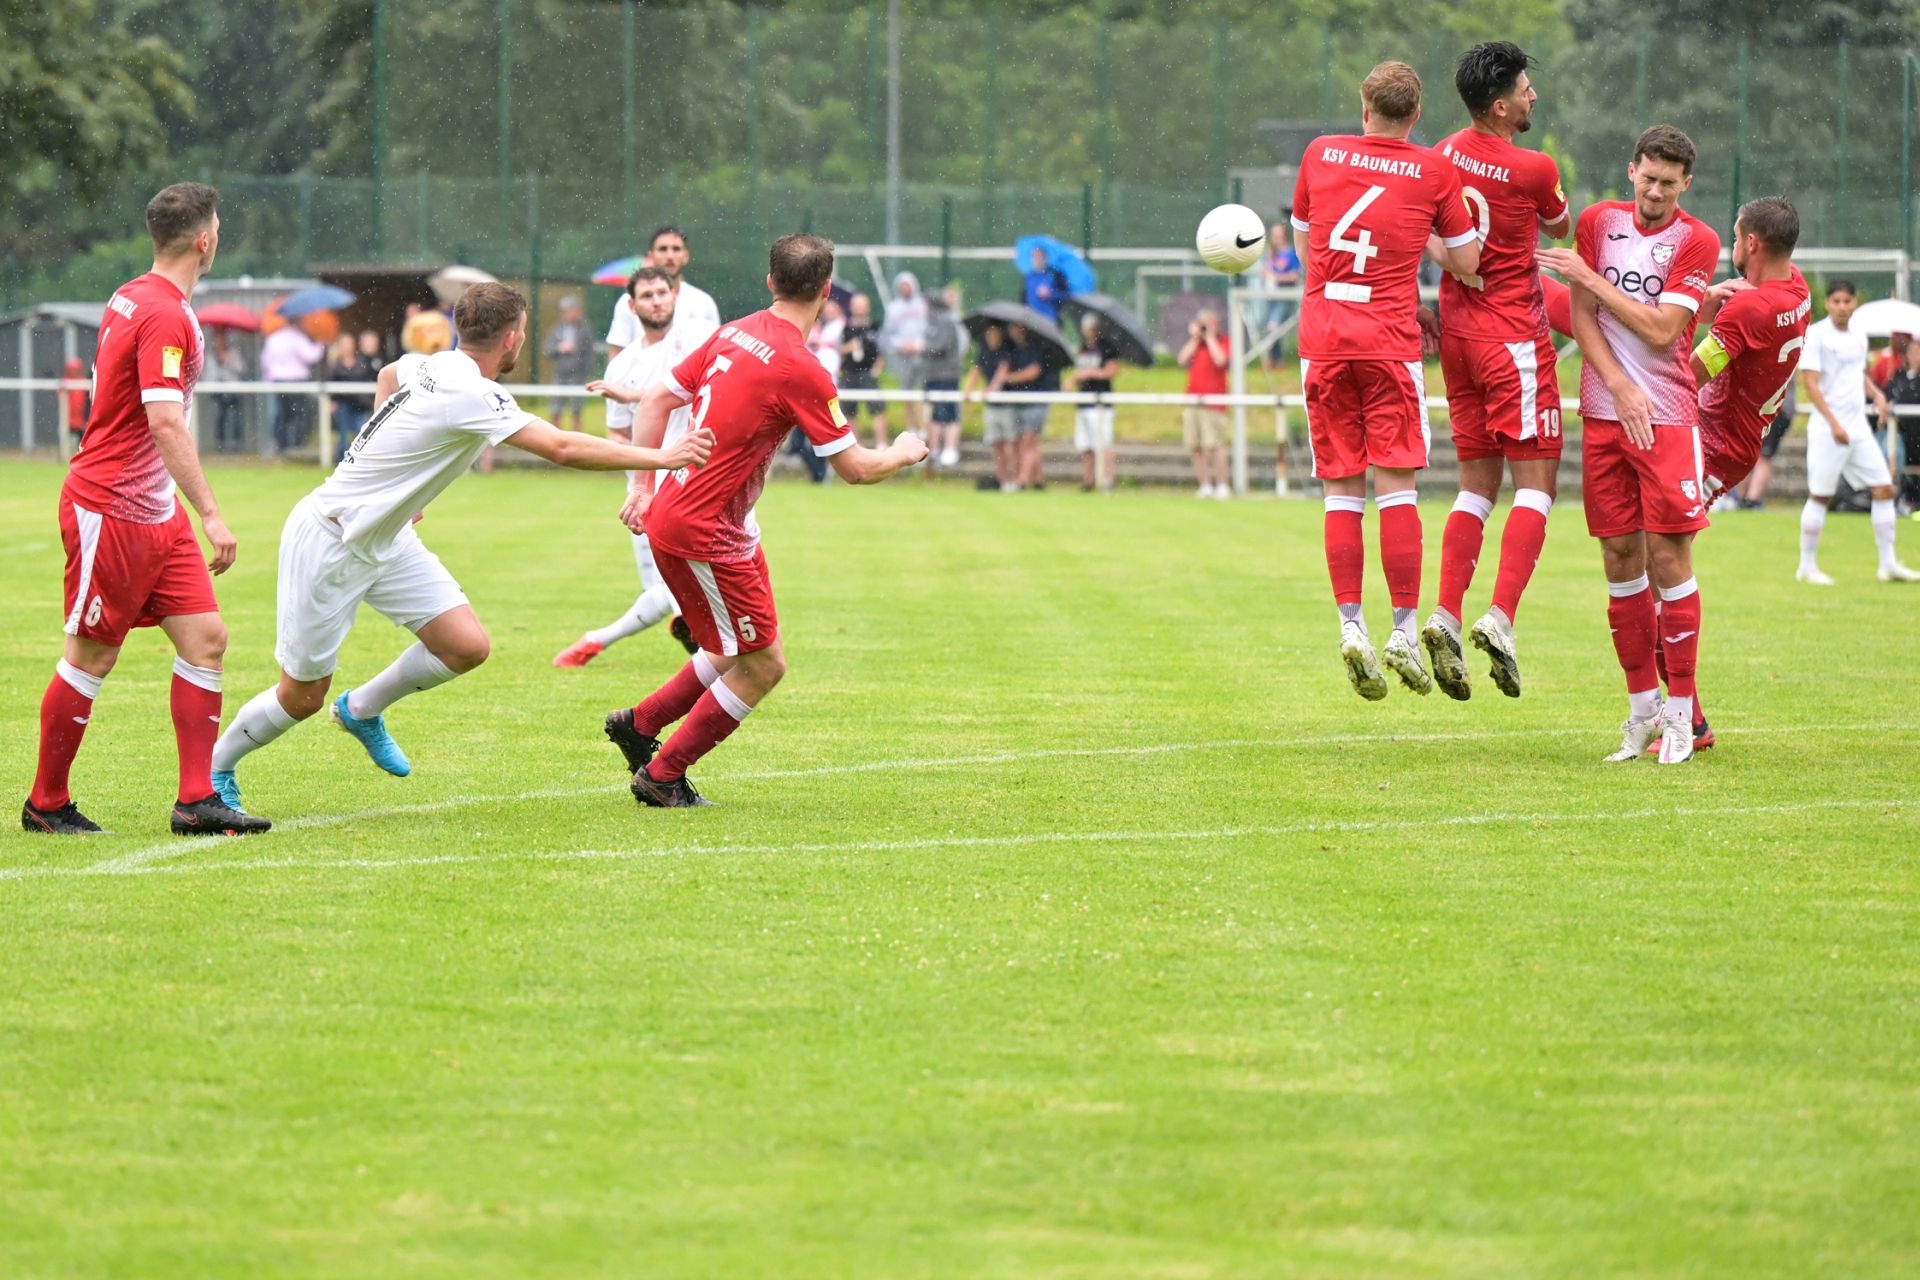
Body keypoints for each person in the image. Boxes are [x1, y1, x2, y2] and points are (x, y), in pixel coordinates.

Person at [206, 284, 713, 814]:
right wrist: (664, 456)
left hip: (387, 536)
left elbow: (388, 376)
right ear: (512, 338)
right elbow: (562, 446)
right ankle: (214, 770)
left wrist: (389, 480)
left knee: (465, 645)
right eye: (522, 332)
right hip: (331, 543)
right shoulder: (472, 392)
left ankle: (361, 709)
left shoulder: (434, 364)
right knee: (301, 696)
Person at [602, 234, 930, 807]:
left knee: (737, 648)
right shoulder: (802, 368)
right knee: (763, 667)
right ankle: (663, 776)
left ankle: (640, 724)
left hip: (697, 518)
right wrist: (904, 451)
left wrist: (643, 488)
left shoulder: (733, 331)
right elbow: (856, 469)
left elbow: (653, 402)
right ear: (826, 291)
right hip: (706, 532)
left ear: (771, 282)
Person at [23, 182, 266, 836]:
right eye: (219, 228)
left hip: (155, 511)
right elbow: (163, 420)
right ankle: (45, 804)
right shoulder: (162, 313)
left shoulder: (132, 293)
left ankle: (196, 801)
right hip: (112, 507)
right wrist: (211, 512)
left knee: (206, 639)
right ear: (204, 241)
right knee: (90, 657)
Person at [1292, 61, 1481, 700]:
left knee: (1341, 490)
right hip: (1387, 342)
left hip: (1323, 339)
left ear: (1364, 107)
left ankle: (1352, 624)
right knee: (1396, 488)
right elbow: (1468, 260)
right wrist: (1421, 239)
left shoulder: (1321, 153)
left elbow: (1307, 250)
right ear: (1417, 116)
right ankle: (1403, 629)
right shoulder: (1434, 169)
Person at [1538, 124, 1722, 764]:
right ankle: (1643, 712)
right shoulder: (1597, 221)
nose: (1656, 191)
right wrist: (1617, 387)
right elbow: (1581, 316)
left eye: (1669, 183)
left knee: (1669, 560)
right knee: (1619, 560)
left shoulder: (1697, 240)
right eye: (1648, 178)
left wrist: (1590, 278)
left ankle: (1682, 717)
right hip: (1605, 414)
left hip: (1667, 418)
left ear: (1685, 184)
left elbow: (1663, 329)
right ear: (1632, 171)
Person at [1421, 42, 1572, 702]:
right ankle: (1501, 618)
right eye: (1525, 89)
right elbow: (1561, 229)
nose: (1533, 95)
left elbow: (1427, 234)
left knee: (1475, 487)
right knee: (1537, 484)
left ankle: (1445, 613)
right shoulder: (1534, 167)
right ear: (1501, 106)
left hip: (1457, 338)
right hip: (1513, 340)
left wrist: (1456, 262)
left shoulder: (1441, 156)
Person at [1670, 197, 1812, 751]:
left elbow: (1689, 374)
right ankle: (1680, 710)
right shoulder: (1795, 288)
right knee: (1652, 560)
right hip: (1736, 440)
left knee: (1660, 565)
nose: (1731, 245)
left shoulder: (1749, 310)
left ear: (1751, 243)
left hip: (1713, 444)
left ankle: (1688, 718)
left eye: (1735, 236)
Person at [554, 268, 711, 667]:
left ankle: (599, 641)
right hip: (644, 489)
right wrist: (634, 459)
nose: (657, 300)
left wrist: (633, 396)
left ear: (674, 296)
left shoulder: (696, 342)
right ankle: (695, 640)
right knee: (664, 590)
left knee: (687, 586)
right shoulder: (622, 365)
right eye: (647, 295)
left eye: (662, 292)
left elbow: (697, 393)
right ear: (632, 305)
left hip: (694, 481)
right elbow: (617, 432)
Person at [1794, 280, 1917, 583]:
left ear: (1854, 303)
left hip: (1857, 427)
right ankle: (1806, 566)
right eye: (1836, 301)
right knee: (1820, 496)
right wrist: (1834, 423)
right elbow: (1810, 384)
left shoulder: (1859, 335)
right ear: (1828, 304)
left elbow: (1857, 374)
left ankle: (1887, 564)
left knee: (1884, 489)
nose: (1841, 307)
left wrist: (1876, 394)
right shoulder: (1817, 335)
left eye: (1847, 301)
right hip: (1828, 429)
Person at [605, 226, 721, 360]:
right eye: (663, 249)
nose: (670, 256)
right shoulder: (628, 302)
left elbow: (715, 351)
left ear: (686, 256)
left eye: (676, 249)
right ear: (650, 256)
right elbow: (616, 355)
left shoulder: (704, 303)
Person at [1178, 310, 1231, 500]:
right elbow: (1181, 359)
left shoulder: (1223, 341)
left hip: (1213, 403)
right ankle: (1205, 484)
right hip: (1193, 401)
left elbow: (1220, 360)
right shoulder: (1196, 345)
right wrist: (1195, 338)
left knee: (1215, 445)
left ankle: (1222, 485)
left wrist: (1210, 338)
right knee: (1195, 446)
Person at [964, 322, 1018, 489]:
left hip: (1006, 404)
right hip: (991, 406)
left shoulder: (1006, 351)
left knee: (1010, 443)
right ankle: (1002, 480)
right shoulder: (984, 351)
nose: (991, 337)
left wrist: (991, 389)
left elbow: (1002, 372)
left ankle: (1013, 480)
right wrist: (969, 389)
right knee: (997, 444)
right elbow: (976, 370)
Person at [1071, 313, 1122, 491]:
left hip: (1101, 403)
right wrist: (1072, 380)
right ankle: (1088, 481)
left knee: (1104, 443)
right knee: (1085, 445)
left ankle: (1107, 480)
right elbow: (1079, 372)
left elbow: (1112, 371)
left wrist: (1091, 373)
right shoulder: (1083, 347)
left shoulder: (1107, 347)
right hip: (1083, 401)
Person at [1001, 322, 1053, 490]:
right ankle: (1038, 480)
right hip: (1018, 401)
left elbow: (1033, 372)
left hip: (1035, 401)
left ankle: (1022, 481)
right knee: (1023, 441)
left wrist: (1010, 378)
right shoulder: (1012, 349)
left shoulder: (1036, 348)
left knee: (1029, 440)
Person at [921, 285, 968, 468]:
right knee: (935, 414)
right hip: (932, 376)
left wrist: (921, 347)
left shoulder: (946, 321)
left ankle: (950, 448)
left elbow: (940, 346)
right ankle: (934, 449)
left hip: (947, 376)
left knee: (949, 414)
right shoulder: (931, 322)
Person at [261, 316, 324, 453]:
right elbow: (311, 356)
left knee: (281, 413)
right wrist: (320, 344)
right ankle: (297, 445)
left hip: (278, 381)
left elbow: (265, 360)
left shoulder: (273, 338)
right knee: (298, 414)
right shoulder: (298, 338)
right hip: (296, 381)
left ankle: (280, 444)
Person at [880, 272, 929, 441]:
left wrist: (920, 344)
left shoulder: (923, 305)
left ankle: (924, 426)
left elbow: (929, 329)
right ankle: (911, 425)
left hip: (922, 354)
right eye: (902, 286)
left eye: (907, 286)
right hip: (903, 356)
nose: (905, 289)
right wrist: (901, 345)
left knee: (923, 391)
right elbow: (888, 333)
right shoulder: (894, 308)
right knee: (907, 391)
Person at [838, 293, 887, 446]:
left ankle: (881, 445)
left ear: (868, 307)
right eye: (857, 305)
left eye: (862, 305)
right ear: (852, 307)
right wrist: (848, 348)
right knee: (849, 412)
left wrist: (875, 372)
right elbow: (837, 350)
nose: (859, 309)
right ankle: (855, 446)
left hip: (867, 374)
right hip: (849, 374)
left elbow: (883, 352)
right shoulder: (845, 328)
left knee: (877, 410)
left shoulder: (875, 328)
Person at [543, 295, 597, 430]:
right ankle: (554, 435)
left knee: (576, 409)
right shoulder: (557, 329)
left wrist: (585, 372)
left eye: (571, 310)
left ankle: (576, 436)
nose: (568, 313)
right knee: (555, 407)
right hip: (560, 374)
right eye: (565, 310)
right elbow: (547, 349)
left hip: (578, 375)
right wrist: (559, 348)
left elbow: (590, 353)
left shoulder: (585, 329)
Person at [326, 333, 378, 463]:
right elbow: (332, 383)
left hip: (359, 404)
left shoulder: (362, 362)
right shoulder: (335, 365)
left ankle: (359, 458)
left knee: (361, 430)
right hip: (343, 404)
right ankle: (341, 458)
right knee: (342, 432)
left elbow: (369, 378)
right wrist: (333, 401)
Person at [1258, 219, 1302, 369]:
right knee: (1269, 327)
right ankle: (1272, 360)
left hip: (1284, 296)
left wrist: (1277, 277)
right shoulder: (1269, 253)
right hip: (1269, 295)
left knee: (1275, 327)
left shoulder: (1291, 253)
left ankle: (1276, 360)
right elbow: (1263, 271)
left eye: (1279, 235)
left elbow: (1295, 275)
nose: (1276, 239)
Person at [1884, 336, 1920, 512]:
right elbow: (1887, 395)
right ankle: (1894, 497)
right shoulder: (1897, 376)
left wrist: (1897, 402)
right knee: (1891, 452)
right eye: (1912, 351)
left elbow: (1910, 398)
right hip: (1898, 431)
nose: (1915, 355)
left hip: (1915, 432)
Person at [204, 326, 248, 454]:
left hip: (233, 391)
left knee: (235, 417)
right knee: (220, 417)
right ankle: (220, 445)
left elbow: (241, 369)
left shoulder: (233, 353)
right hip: (218, 392)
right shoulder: (210, 356)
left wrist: (228, 361)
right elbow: (207, 375)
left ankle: (236, 444)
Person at [1023, 246, 1069, 324]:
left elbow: (1065, 295)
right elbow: (1024, 299)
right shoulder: (1029, 277)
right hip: (1032, 321)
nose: (1036, 259)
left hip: (1050, 320)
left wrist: (1051, 294)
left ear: (1045, 258)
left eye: (1038, 256)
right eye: (1034, 256)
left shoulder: (1055, 275)